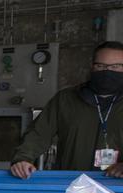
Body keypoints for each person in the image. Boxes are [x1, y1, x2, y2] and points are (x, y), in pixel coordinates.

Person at [10, 41, 123, 179]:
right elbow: (39, 133)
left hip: (117, 187)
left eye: (116, 66)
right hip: (71, 184)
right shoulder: (66, 99)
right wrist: (23, 159)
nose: (107, 71)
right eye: (101, 66)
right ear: (92, 67)